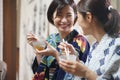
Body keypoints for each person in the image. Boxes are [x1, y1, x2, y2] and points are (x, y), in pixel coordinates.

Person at [27, 0, 90, 80]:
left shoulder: (82, 42)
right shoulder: (50, 39)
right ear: (52, 17)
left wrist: (56, 54)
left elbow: (80, 74)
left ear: (75, 16)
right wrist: (38, 50)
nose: (64, 20)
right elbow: (40, 71)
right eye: (59, 15)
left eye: (68, 15)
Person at [58, 0, 120, 80]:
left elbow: (88, 73)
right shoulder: (95, 46)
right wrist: (75, 59)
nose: (77, 22)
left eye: (78, 16)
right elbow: (88, 74)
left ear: (88, 17)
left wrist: (85, 72)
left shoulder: (117, 45)